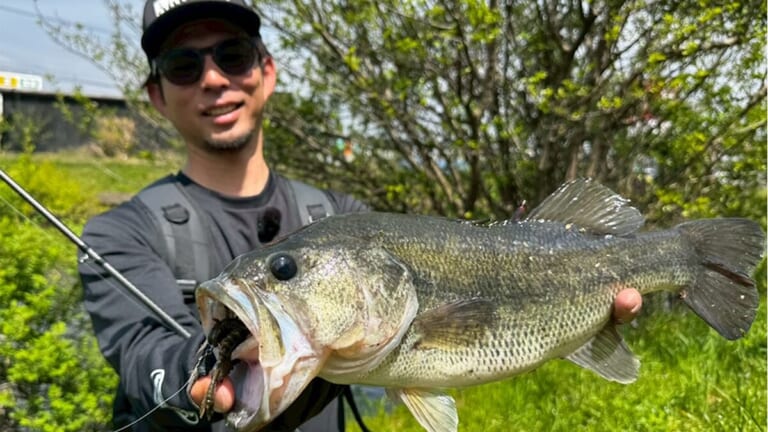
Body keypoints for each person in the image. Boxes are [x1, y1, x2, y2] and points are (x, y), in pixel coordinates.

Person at [78, 1, 643, 431]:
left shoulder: (341, 215)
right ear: (155, 95)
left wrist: (568, 305)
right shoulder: (118, 232)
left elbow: (473, 300)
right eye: (182, 65)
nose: (213, 79)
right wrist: (200, 370)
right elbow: (137, 351)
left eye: (232, 55)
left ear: (266, 71)